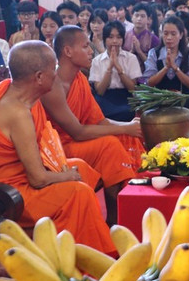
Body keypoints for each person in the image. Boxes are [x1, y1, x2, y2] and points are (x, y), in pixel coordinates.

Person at [0, 41, 114, 252]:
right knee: (77, 192)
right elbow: (38, 179)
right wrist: (66, 177)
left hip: (12, 179)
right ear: (38, 77)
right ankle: (73, 257)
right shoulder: (17, 112)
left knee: (79, 167)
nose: (57, 73)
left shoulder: (13, 91)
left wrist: (68, 173)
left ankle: (76, 241)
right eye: (53, 68)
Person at [42, 25, 144, 225]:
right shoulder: (52, 84)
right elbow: (78, 132)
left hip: (75, 142)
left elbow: (100, 121)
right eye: (86, 46)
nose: (91, 51)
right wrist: (125, 127)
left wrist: (130, 126)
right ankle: (114, 220)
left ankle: (128, 205)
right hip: (56, 150)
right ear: (68, 51)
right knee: (110, 145)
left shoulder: (79, 79)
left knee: (125, 137)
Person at [90, 21, 143, 122]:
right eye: (110, 37)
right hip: (105, 96)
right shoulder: (97, 60)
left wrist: (119, 68)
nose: (115, 41)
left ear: (123, 39)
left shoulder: (131, 58)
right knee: (101, 112)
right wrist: (109, 68)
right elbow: (100, 91)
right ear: (105, 39)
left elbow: (132, 88)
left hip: (125, 95)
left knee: (127, 112)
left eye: (119, 37)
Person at [143, 16, 189, 91]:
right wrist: (166, 68)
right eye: (165, 33)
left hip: (183, 99)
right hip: (159, 98)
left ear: (181, 35)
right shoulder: (154, 53)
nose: (169, 37)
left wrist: (175, 68)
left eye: (173, 34)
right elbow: (149, 83)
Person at [123, 2, 160, 68]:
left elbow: (154, 65)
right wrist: (132, 51)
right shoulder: (124, 36)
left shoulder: (154, 39)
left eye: (142, 16)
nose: (139, 19)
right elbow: (121, 61)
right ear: (132, 17)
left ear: (148, 19)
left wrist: (139, 51)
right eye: (136, 15)